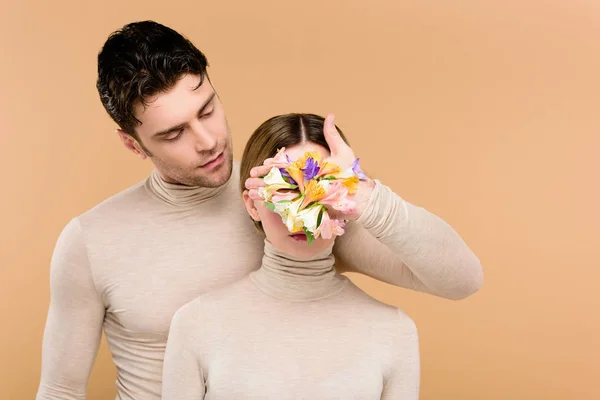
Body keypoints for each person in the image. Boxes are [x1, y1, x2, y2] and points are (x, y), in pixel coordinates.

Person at [36, 20, 482, 400]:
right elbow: (60, 391)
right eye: (174, 133)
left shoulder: (292, 203)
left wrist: (362, 192)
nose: (208, 140)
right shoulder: (91, 241)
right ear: (133, 144)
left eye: (207, 110)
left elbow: (460, 281)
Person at [162, 113, 420, 399]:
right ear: (252, 205)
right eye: (284, 190)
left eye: (320, 188)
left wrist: (368, 196)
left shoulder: (394, 331)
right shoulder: (197, 323)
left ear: (346, 199)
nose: (301, 215)